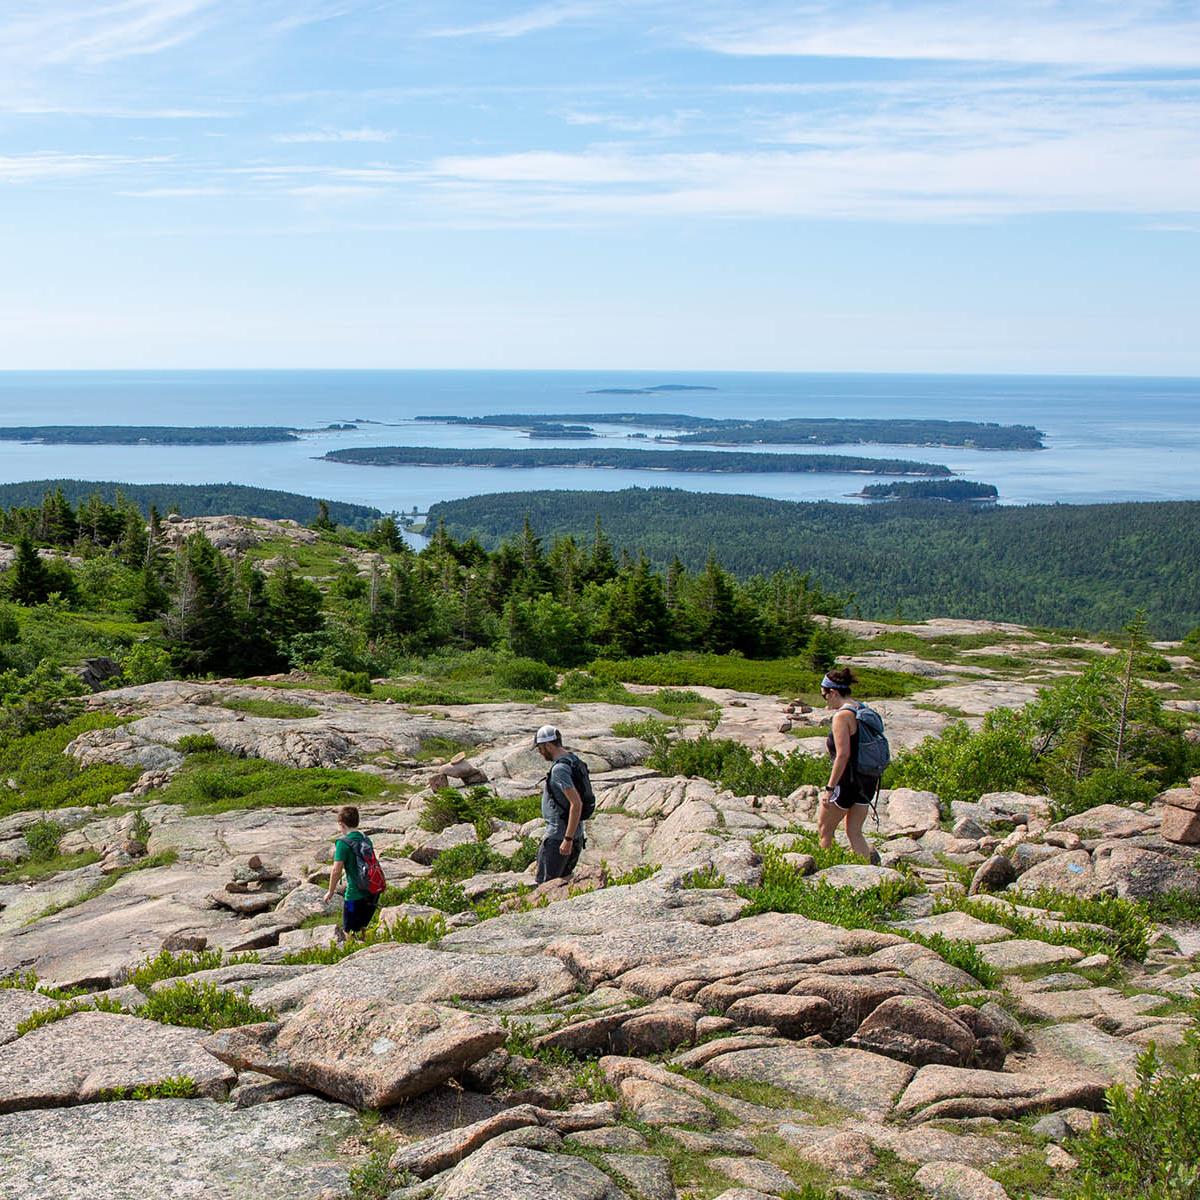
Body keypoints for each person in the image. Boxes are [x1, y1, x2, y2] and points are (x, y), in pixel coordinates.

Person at [817, 667, 876, 862]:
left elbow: (843, 755)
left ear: (833, 692)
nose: (825, 700)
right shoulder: (862, 708)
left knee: (825, 830)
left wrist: (829, 788)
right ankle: (870, 874)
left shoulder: (842, 717)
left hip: (848, 781)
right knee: (854, 832)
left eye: (825, 696)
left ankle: (825, 874)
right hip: (868, 779)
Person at [533, 725, 587, 884]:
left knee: (546, 885)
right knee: (564, 882)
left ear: (548, 745)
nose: (540, 752)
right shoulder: (574, 760)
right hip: (576, 834)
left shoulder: (559, 769)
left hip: (559, 837)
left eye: (540, 748)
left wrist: (567, 839)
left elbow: (576, 803)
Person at [324, 805, 378, 939]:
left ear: (341, 824)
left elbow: (336, 870)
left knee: (349, 930)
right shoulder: (366, 838)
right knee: (363, 926)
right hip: (373, 891)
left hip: (355, 894)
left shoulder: (343, 843)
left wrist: (330, 891)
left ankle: (353, 953)